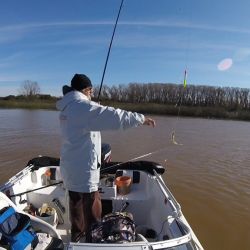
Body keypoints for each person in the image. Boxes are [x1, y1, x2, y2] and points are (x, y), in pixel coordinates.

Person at [56, 73, 156, 242]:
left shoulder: (68, 107)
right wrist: (141, 119)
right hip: (85, 171)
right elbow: (114, 116)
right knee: (93, 210)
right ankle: (93, 243)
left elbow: (87, 119)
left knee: (75, 205)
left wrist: (93, 107)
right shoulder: (83, 107)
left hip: (69, 167)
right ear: (87, 90)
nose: (92, 94)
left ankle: (76, 239)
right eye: (91, 92)